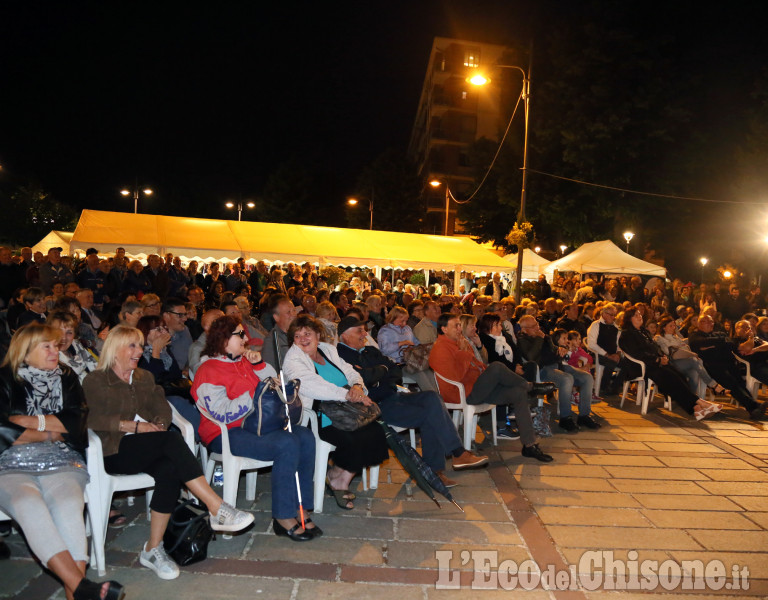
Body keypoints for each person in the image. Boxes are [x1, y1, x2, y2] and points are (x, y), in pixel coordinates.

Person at [83, 326, 254, 581]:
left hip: (151, 445)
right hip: (114, 449)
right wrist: (135, 426)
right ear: (115, 349)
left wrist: (159, 426)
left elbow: (162, 408)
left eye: (141, 346)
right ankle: (216, 507)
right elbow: (92, 417)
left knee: (169, 468)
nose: (139, 351)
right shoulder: (96, 380)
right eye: (132, 346)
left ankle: (153, 549)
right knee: (171, 441)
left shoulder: (143, 377)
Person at [0, 323, 125, 600]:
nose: (55, 350)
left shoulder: (66, 376)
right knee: (27, 504)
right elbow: (2, 430)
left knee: (70, 506)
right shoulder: (4, 378)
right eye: (46, 346)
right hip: (9, 465)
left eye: (55, 345)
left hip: (63, 461)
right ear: (25, 351)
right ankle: (82, 588)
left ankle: (78, 593)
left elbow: (76, 419)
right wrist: (48, 434)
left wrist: (29, 425)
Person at [191, 315, 319, 541]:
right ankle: (283, 516)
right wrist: (253, 395)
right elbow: (220, 412)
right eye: (239, 334)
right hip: (227, 433)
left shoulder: (244, 361)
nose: (246, 338)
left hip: (258, 426)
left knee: (305, 436)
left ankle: (302, 506)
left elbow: (275, 384)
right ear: (223, 339)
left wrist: (259, 365)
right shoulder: (208, 370)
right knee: (287, 443)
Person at [335, 316, 488, 487]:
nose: (365, 334)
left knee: (432, 397)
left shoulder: (370, 351)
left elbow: (395, 370)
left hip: (394, 396)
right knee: (430, 414)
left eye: (364, 330)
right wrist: (380, 372)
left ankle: (452, 458)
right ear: (344, 335)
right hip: (375, 406)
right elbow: (364, 378)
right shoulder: (340, 356)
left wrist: (379, 374)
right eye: (359, 331)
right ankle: (443, 464)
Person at [283, 315, 389, 510]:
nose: (303, 339)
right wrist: (348, 395)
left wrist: (357, 386)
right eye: (297, 336)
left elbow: (350, 371)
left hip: (346, 407)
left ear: (317, 334)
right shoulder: (293, 360)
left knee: (376, 432)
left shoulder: (327, 349)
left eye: (307, 334)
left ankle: (337, 475)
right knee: (353, 437)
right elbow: (313, 386)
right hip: (318, 414)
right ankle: (338, 480)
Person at [428, 313, 554, 462]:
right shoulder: (440, 348)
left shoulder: (459, 342)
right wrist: (464, 353)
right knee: (496, 367)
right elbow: (456, 377)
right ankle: (530, 386)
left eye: (459, 325)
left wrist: (472, 352)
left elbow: (479, 363)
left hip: (478, 387)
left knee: (518, 393)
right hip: (463, 393)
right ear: (443, 329)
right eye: (455, 325)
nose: (459, 328)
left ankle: (529, 445)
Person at [619, 308, 722, 420]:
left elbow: (655, 348)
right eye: (635, 315)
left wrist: (662, 357)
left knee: (678, 375)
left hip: (653, 364)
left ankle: (696, 408)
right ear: (629, 319)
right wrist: (657, 360)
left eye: (639, 314)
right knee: (669, 376)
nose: (639, 316)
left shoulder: (644, 332)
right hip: (640, 367)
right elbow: (637, 353)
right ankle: (700, 403)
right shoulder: (627, 334)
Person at [654, 315, 719, 397]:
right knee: (694, 360)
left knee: (694, 372)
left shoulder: (676, 337)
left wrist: (679, 344)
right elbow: (668, 351)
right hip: (671, 363)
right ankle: (712, 385)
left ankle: (690, 398)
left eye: (674, 325)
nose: (673, 327)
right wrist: (679, 346)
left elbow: (685, 347)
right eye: (671, 326)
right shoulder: (659, 337)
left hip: (683, 362)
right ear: (664, 327)